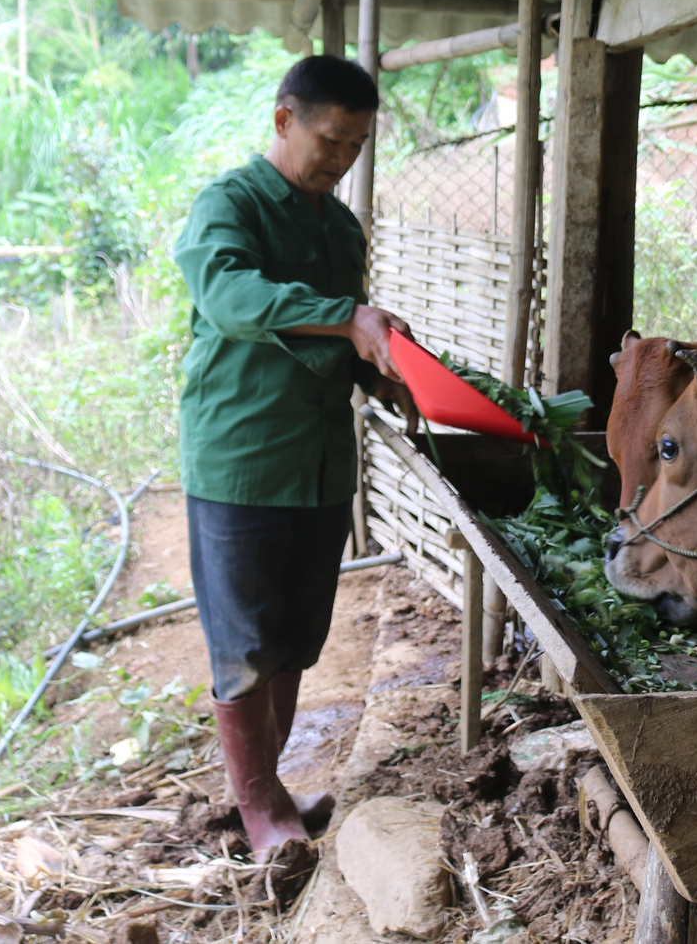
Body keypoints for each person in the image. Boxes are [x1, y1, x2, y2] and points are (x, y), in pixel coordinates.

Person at [173, 55, 415, 854]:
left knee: (295, 640)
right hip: (242, 459)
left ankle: (269, 790)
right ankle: (259, 815)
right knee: (243, 645)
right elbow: (229, 297)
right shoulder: (229, 206)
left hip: (318, 464)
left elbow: (340, 340)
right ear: (284, 121)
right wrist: (348, 316)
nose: (341, 158)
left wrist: (386, 376)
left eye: (356, 145)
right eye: (330, 139)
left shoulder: (340, 227)